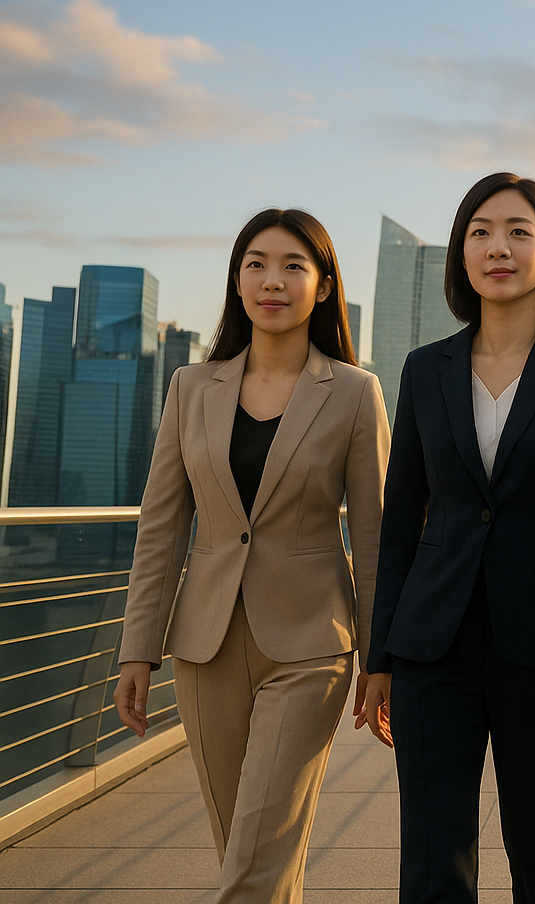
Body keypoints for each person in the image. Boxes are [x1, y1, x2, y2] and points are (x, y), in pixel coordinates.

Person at [114, 209, 387, 904]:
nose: (274, 280)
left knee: (253, 866)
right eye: (257, 265)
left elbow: (378, 534)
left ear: (323, 287)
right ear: (237, 283)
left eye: (294, 266)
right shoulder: (190, 388)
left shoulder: (355, 393)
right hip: (204, 650)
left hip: (309, 648)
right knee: (250, 853)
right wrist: (136, 650)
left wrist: (381, 659)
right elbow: (162, 528)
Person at [361, 172, 535, 903]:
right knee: (433, 861)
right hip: (430, 644)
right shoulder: (423, 370)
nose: (496, 247)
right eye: (479, 232)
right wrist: (379, 657)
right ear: (460, 253)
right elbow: (400, 519)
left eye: (517, 232)